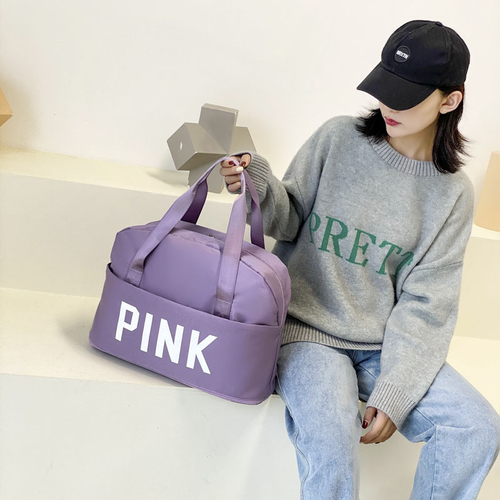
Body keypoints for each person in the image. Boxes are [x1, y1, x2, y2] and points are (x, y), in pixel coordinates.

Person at [219, 19, 500, 500]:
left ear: (449, 101)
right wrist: (258, 182)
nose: (389, 105)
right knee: (331, 441)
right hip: (306, 331)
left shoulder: (452, 194)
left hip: (380, 346)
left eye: (407, 96)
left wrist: (396, 390)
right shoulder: (337, 139)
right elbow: (290, 219)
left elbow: (426, 305)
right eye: (386, 88)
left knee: (474, 428)